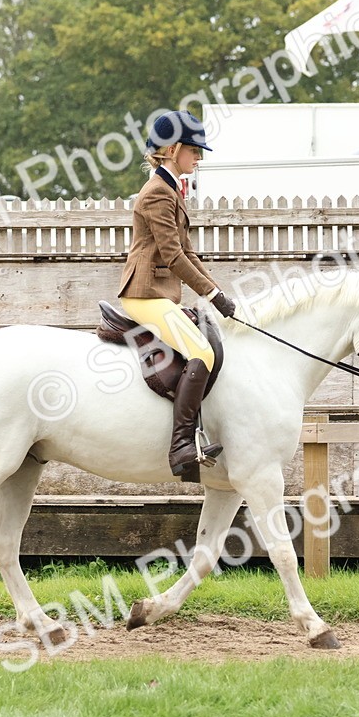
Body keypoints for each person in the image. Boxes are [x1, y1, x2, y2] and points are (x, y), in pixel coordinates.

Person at [117, 110, 237, 477]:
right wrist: (212, 295)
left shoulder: (170, 189)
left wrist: (215, 291)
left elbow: (188, 253)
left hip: (160, 293)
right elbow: (171, 256)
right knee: (201, 351)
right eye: (194, 151)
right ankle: (182, 445)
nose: (198, 158)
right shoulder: (156, 193)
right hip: (144, 293)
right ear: (171, 149)